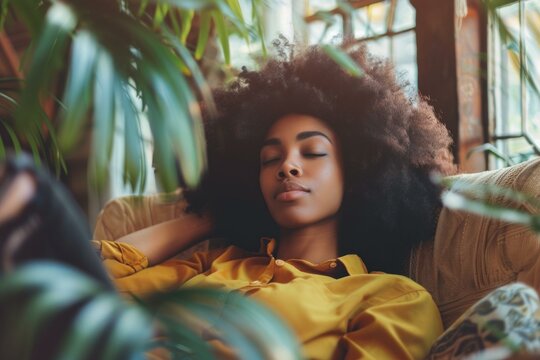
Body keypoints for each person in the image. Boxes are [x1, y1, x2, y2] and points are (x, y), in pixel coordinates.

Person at [0, 43, 453, 358]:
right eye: (268, 159)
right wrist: (208, 215)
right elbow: (86, 290)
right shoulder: (213, 263)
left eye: (312, 153)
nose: (287, 167)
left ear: (360, 172)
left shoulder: (388, 297)